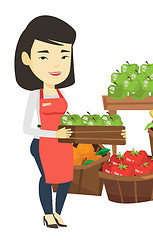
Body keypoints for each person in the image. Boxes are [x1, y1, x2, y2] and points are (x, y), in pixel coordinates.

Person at [15, 15, 76, 228]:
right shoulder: (35, 95)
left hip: (63, 143)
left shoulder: (60, 92)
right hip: (43, 143)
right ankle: (47, 214)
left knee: (66, 178)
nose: (56, 64)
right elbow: (27, 128)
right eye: (44, 57)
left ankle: (58, 212)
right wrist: (54, 135)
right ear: (27, 59)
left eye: (63, 56)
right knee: (48, 177)